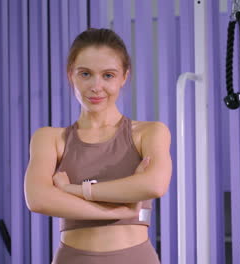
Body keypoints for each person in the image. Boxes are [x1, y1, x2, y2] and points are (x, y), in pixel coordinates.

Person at [24, 28, 172, 264]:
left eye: (108, 75)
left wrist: (73, 190)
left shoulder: (149, 132)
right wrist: (119, 211)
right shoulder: (49, 138)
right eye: (85, 74)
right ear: (70, 74)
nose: (96, 86)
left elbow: (154, 185)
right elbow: (38, 198)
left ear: (124, 76)